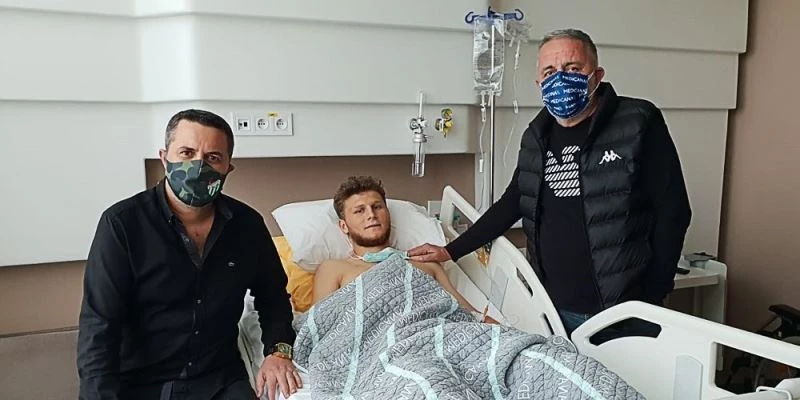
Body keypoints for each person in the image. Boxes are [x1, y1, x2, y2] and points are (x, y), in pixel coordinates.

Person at [409, 28, 691, 337]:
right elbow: (513, 202)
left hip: (624, 308)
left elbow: (674, 211)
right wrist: (451, 250)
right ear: (539, 84)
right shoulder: (536, 136)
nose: (560, 79)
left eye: (573, 68)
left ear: (596, 76)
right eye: (550, 72)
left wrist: (653, 293)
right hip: (553, 308)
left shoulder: (637, 122)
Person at [77, 109, 300, 400]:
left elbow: (274, 299)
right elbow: (99, 325)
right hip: (140, 384)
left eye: (213, 157)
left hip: (220, 381)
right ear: (164, 158)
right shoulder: (122, 224)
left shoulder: (247, 226)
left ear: (228, 167)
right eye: (186, 152)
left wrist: (278, 352)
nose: (198, 166)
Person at [312, 176, 498, 324]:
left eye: (377, 207)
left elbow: (467, 313)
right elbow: (319, 326)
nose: (371, 215)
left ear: (387, 214)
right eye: (359, 210)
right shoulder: (333, 268)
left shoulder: (426, 264)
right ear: (344, 226)